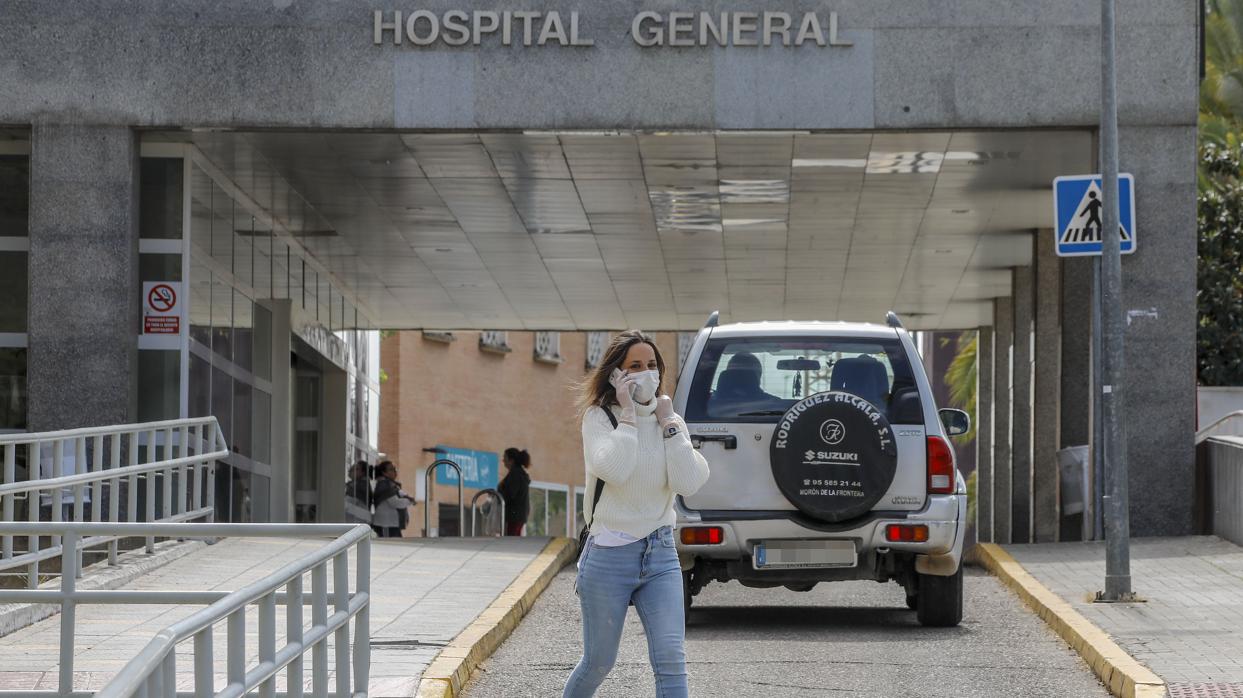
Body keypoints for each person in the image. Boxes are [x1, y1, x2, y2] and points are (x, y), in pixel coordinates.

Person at [565, 330, 710, 698]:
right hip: (609, 554)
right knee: (599, 662)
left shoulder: (669, 420)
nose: (646, 373)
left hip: (660, 553)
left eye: (651, 366)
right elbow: (613, 469)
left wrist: (671, 425)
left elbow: (689, 480)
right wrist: (628, 414)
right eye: (635, 366)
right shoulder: (599, 419)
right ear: (616, 374)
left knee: (671, 661)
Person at [497, 448, 531, 536]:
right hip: (518, 514)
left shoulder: (515, 474)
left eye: (505, 458)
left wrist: (499, 496)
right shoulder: (518, 473)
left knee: (511, 540)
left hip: (514, 515)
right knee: (514, 539)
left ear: (511, 460)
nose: (503, 460)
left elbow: (511, 494)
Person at [371, 460, 410, 538]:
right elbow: (395, 503)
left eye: (394, 469)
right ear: (384, 472)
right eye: (391, 469)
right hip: (386, 523)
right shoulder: (385, 485)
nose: (394, 471)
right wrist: (409, 501)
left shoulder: (391, 484)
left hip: (392, 523)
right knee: (388, 546)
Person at [345, 460, 372, 526]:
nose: (351, 470)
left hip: (357, 520)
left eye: (356, 469)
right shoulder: (352, 485)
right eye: (352, 468)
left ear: (363, 472)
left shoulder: (360, 485)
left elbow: (348, 503)